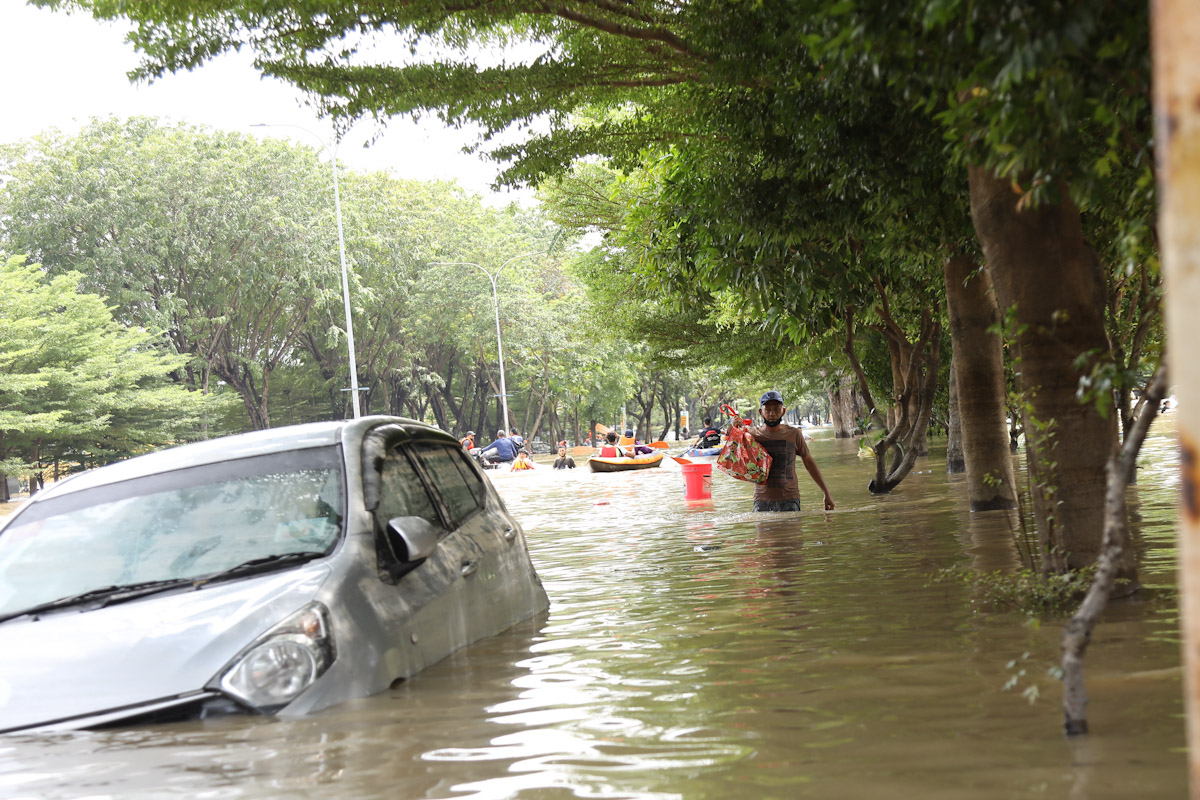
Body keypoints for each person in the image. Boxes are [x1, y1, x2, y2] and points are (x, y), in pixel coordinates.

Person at [747, 390, 835, 513]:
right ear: (761, 412)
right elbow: (733, 455)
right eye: (768, 409)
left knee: (791, 533)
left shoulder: (794, 434)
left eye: (777, 409)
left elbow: (809, 463)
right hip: (762, 500)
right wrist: (733, 427)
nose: (772, 413)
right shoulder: (752, 435)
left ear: (783, 411)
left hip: (790, 499)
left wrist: (826, 493)